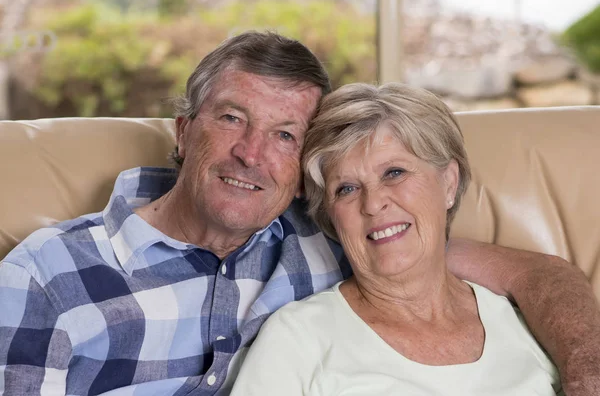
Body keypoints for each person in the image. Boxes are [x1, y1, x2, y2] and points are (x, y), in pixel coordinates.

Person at [0, 32, 598, 396]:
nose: (252, 154)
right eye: (232, 118)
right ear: (184, 132)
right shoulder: (45, 276)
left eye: (285, 134)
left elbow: (532, 275)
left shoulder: (338, 238)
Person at [231, 82, 570, 395]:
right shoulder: (297, 339)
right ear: (330, 215)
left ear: (448, 184)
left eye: (394, 173)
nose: (374, 202)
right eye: (346, 189)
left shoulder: (524, 326)